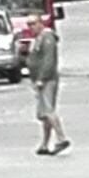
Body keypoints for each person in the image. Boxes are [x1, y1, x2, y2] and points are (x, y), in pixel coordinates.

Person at [26, 14, 70, 156]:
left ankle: (62, 138)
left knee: (49, 110)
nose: (30, 27)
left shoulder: (47, 37)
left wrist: (42, 78)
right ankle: (44, 144)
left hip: (47, 80)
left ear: (40, 23)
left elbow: (48, 60)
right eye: (28, 24)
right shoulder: (37, 39)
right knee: (44, 114)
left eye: (33, 23)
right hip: (39, 79)